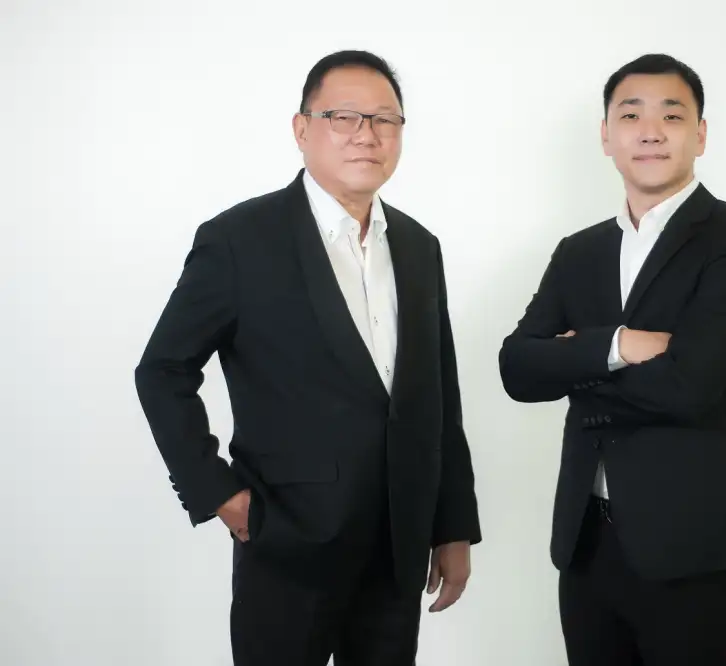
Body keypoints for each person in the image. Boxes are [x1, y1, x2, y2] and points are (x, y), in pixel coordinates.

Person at [134, 50, 481, 666]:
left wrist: (452, 525)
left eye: (385, 119)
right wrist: (217, 492)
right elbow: (163, 370)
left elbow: (438, 396)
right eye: (343, 116)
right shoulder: (240, 240)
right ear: (301, 129)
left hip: (398, 547)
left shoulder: (418, 246)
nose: (366, 134)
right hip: (286, 542)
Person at [498, 53, 726, 665]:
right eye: (631, 115)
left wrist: (574, 360)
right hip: (586, 543)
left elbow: (691, 388)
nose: (650, 131)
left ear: (700, 134)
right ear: (607, 136)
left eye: (671, 116)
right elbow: (517, 369)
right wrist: (620, 345)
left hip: (692, 545)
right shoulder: (579, 252)